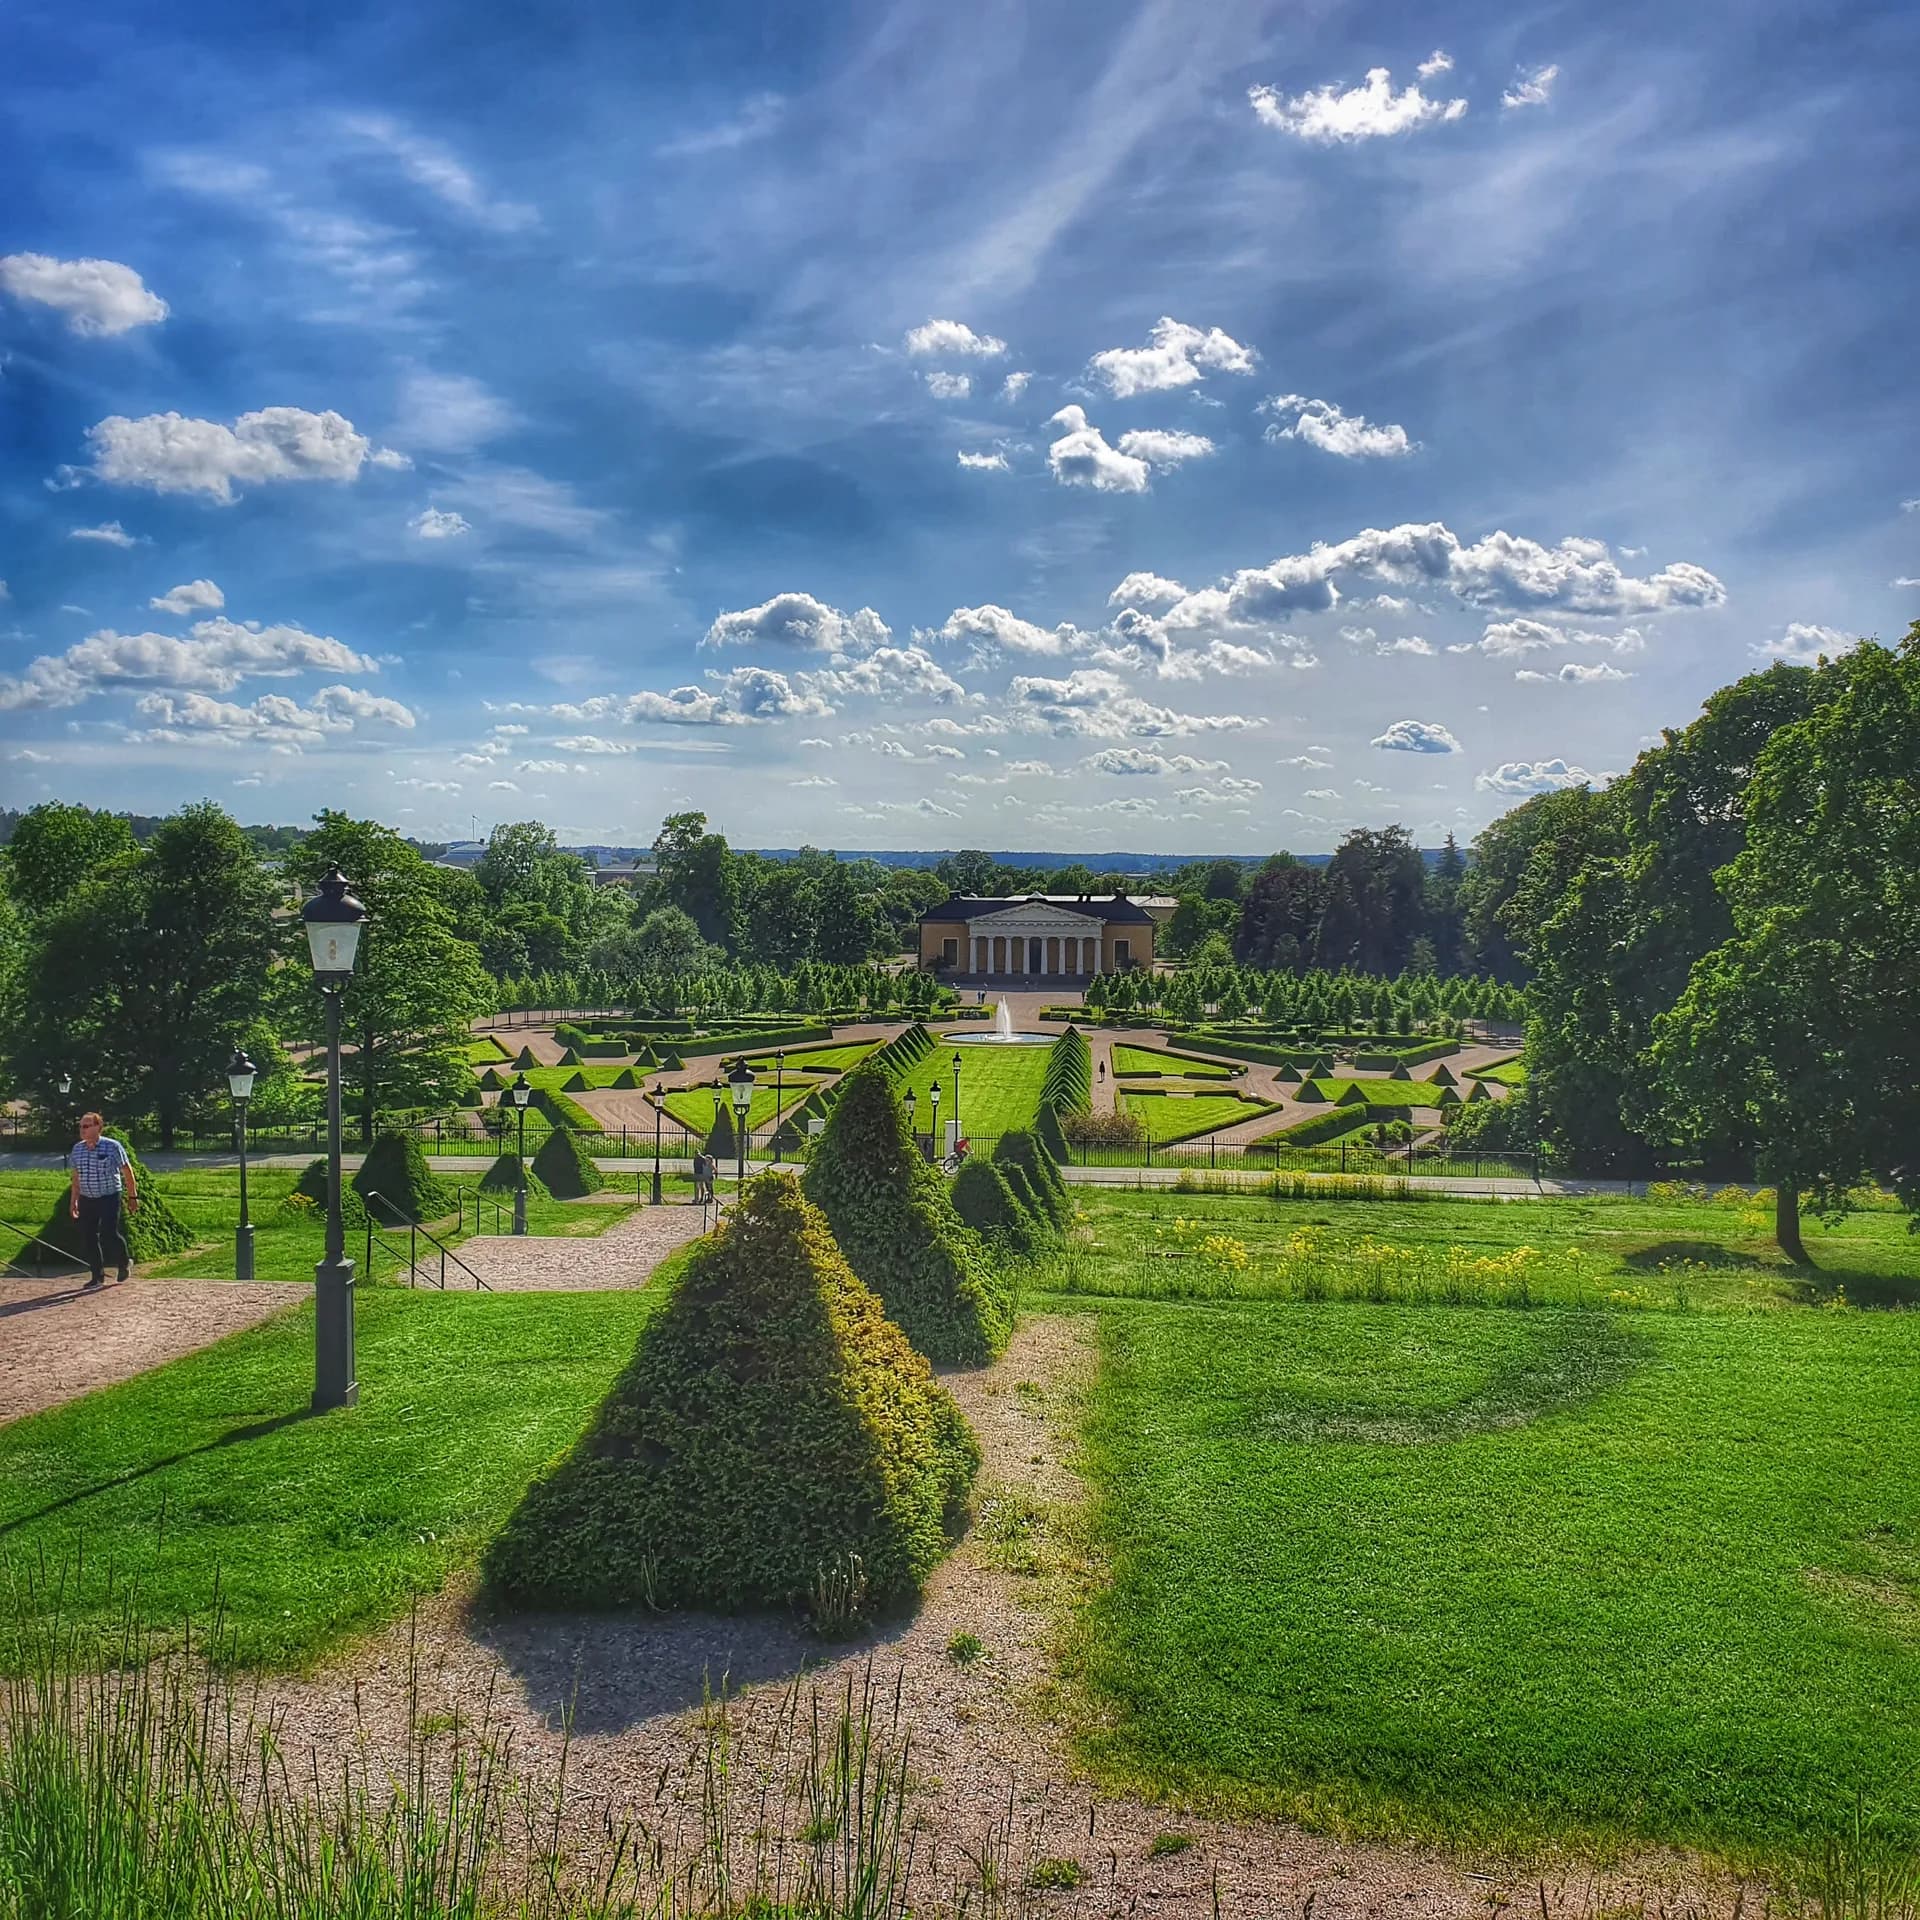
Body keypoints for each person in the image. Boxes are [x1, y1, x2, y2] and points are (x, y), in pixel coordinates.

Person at [68, 1110, 137, 1290]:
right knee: (89, 1236)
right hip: (87, 1198)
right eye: (80, 1126)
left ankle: (124, 1262)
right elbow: (75, 1177)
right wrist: (74, 1201)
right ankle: (97, 1276)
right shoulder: (77, 1149)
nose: (82, 1130)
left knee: (109, 1233)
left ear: (98, 1127)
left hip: (109, 1196)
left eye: (86, 1126)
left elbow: (127, 1171)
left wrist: (132, 1196)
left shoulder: (112, 1147)